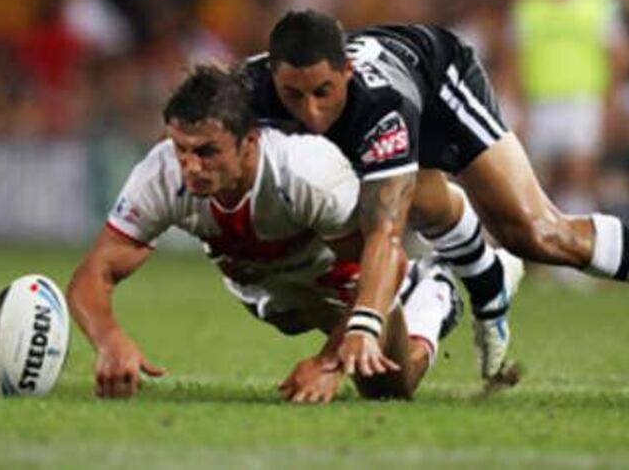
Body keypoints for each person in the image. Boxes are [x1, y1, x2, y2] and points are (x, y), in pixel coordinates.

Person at [243, 9, 629, 378]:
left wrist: (363, 323)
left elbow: (386, 234)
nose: (309, 112)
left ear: (346, 73)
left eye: (322, 93)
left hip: (437, 78)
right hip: (384, 113)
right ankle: (485, 275)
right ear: (271, 76)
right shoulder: (246, 89)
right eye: (293, 95)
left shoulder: (380, 107)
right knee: (396, 197)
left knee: (537, 233)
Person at [66, 64, 471, 401]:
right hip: (269, 291)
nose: (190, 166)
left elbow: (388, 260)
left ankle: (432, 295)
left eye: (207, 151)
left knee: (387, 387)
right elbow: (94, 272)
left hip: (339, 280)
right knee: (290, 317)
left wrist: (328, 362)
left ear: (248, 144)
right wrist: (109, 340)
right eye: (180, 148)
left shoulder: (304, 174)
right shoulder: (161, 174)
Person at [505, 0, 626, 217]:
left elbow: (617, 55)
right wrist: (517, 104)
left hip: (583, 97)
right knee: (545, 174)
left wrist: (611, 102)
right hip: (540, 100)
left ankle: (581, 235)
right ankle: (547, 237)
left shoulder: (598, 2)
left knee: (580, 169)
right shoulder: (527, 7)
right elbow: (513, 58)